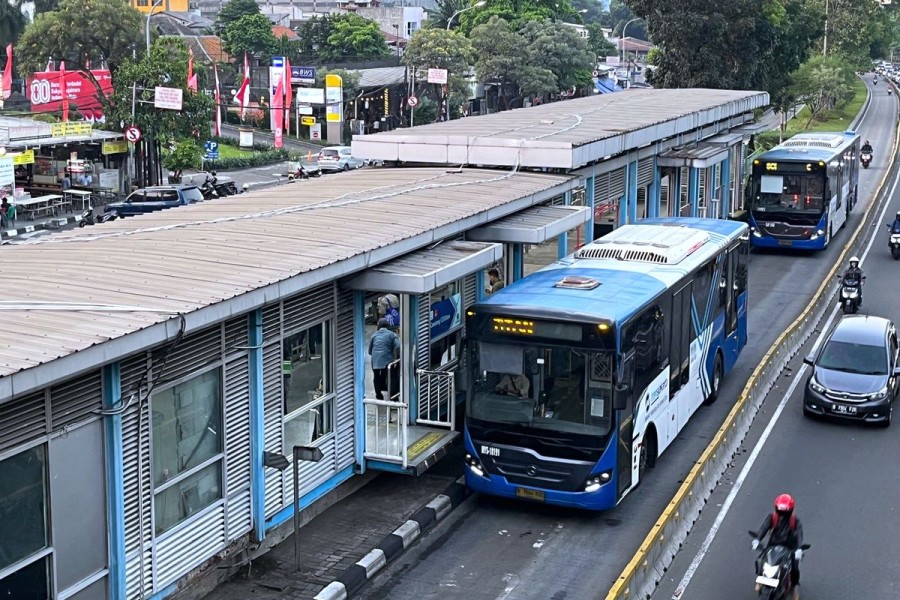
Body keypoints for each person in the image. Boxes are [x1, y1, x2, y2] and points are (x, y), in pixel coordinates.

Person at [752, 494, 804, 600]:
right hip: (773, 545)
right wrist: (757, 539)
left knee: (794, 568)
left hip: (789, 547)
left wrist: (799, 549)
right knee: (761, 560)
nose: (782, 514)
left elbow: (799, 534)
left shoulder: (795, 521)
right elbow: (764, 528)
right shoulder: (772, 517)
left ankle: (794, 587)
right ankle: (760, 578)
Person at [368, 318, 400, 400]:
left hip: (376, 360)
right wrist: (396, 356)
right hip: (388, 360)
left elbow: (370, 351)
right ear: (388, 326)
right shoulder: (392, 334)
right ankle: (393, 396)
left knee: (376, 376)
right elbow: (398, 346)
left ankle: (378, 395)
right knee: (391, 377)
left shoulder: (374, 335)